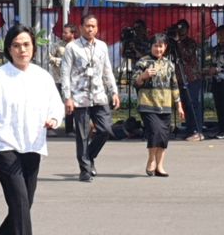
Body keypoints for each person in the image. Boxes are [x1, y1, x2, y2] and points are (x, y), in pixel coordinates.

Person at [0, 24, 65, 235]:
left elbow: (56, 107)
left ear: (33, 48)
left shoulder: (42, 76)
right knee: (19, 201)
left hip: (33, 146)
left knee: (26, 202)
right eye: (16, 45)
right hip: (3, 146)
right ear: (8, 49)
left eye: (26, 44)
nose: (21, 49)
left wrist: (53, 120)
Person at [61, 13, 121, 182]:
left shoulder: (102, 46)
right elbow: (65, 74)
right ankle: (85, 169)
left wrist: (114, 92)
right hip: (80, 97)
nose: (90, 29)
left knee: (105, 130)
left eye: (93, 26)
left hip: (99, 95)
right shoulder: (72, 47)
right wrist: (68, 97)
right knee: (82, 135)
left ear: (97, 28)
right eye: (87, 26)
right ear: (81, 28)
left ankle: (89, 156)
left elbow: (107, 70)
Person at [133, 34, 185, 176]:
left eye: (161, 46)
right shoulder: (143, 62)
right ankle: (151, 160)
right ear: (151, 46)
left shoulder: (169, 64)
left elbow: (174, 86)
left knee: (163, 136)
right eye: (155, 46)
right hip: (148, 104)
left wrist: (179, 105)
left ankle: (160, 166)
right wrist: (143, 76)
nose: (158, 49)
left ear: (165, 47)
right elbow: (135, 82)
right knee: (155, 132)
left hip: (166, 105)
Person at [175, 19, 204, 141]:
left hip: (192, 77)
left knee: (193, 104)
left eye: (183, 29)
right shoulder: (175, 43)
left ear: (187, 30)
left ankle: (198, 131)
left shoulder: (190, 43)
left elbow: (186, 55)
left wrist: (178, 42)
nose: (181, 31)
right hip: (180, 78)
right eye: (179, 29)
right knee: (185, 105)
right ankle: (189, 129)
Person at [49, 23, 77, 134]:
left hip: (73, 80)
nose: (63, 34)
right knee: (57, 103)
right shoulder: (58, 45)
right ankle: (51, 127)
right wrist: (62, 62)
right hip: (59, 79)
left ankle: (69, 129)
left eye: (66, 32)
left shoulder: (78, 46)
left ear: (73, 33)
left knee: (71, 104)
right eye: (63, 32)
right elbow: (49, 57)